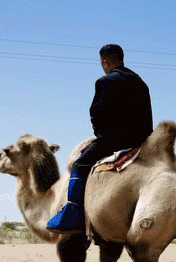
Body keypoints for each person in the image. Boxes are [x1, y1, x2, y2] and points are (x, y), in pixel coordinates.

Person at [47, 44, 154, 234]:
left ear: (105, 62)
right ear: (122, 58)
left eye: (101, 63)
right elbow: (148, 118)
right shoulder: (141, 83)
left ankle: (73, 214)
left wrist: (102, 135)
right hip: (142, 144)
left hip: (113, 141)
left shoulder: (106, 82)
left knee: (79, 165)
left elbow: (97, 115)